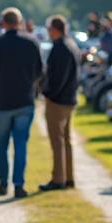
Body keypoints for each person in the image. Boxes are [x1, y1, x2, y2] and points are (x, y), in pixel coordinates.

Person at [0, 7, 43, 198]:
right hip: (24, 99)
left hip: (1, 102)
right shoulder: (31, 43)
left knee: (2, 146)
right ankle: (18, 183)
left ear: (3, 23)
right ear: (20, 22)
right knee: (21, 144)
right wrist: (29, 83)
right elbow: (40, 70)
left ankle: (2, 182)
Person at [40, 15, 80, 191]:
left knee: (57, 141)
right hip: (69, 98)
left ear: (55, 29)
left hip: (58, 101)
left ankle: (58, 179)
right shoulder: (71, 44)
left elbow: (57, 77)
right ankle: (68, 176)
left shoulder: (60, 47)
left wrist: (48, 93)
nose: (48, 33)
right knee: (66, 141)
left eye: (49, 29)